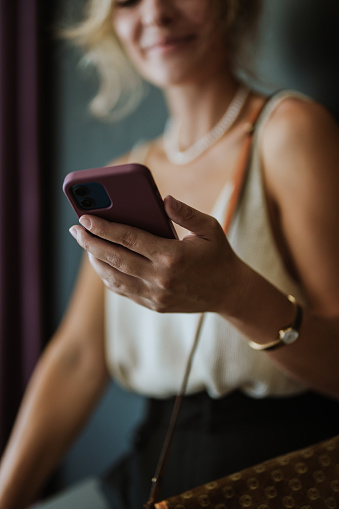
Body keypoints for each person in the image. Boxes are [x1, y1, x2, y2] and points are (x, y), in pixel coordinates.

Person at [1, 0, 339, 508]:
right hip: (147, 472)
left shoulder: (289, 131)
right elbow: (76, 358)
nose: (155, 14)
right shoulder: (127, 168)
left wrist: (234, 293)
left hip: (271, 473)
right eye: (128, 1)